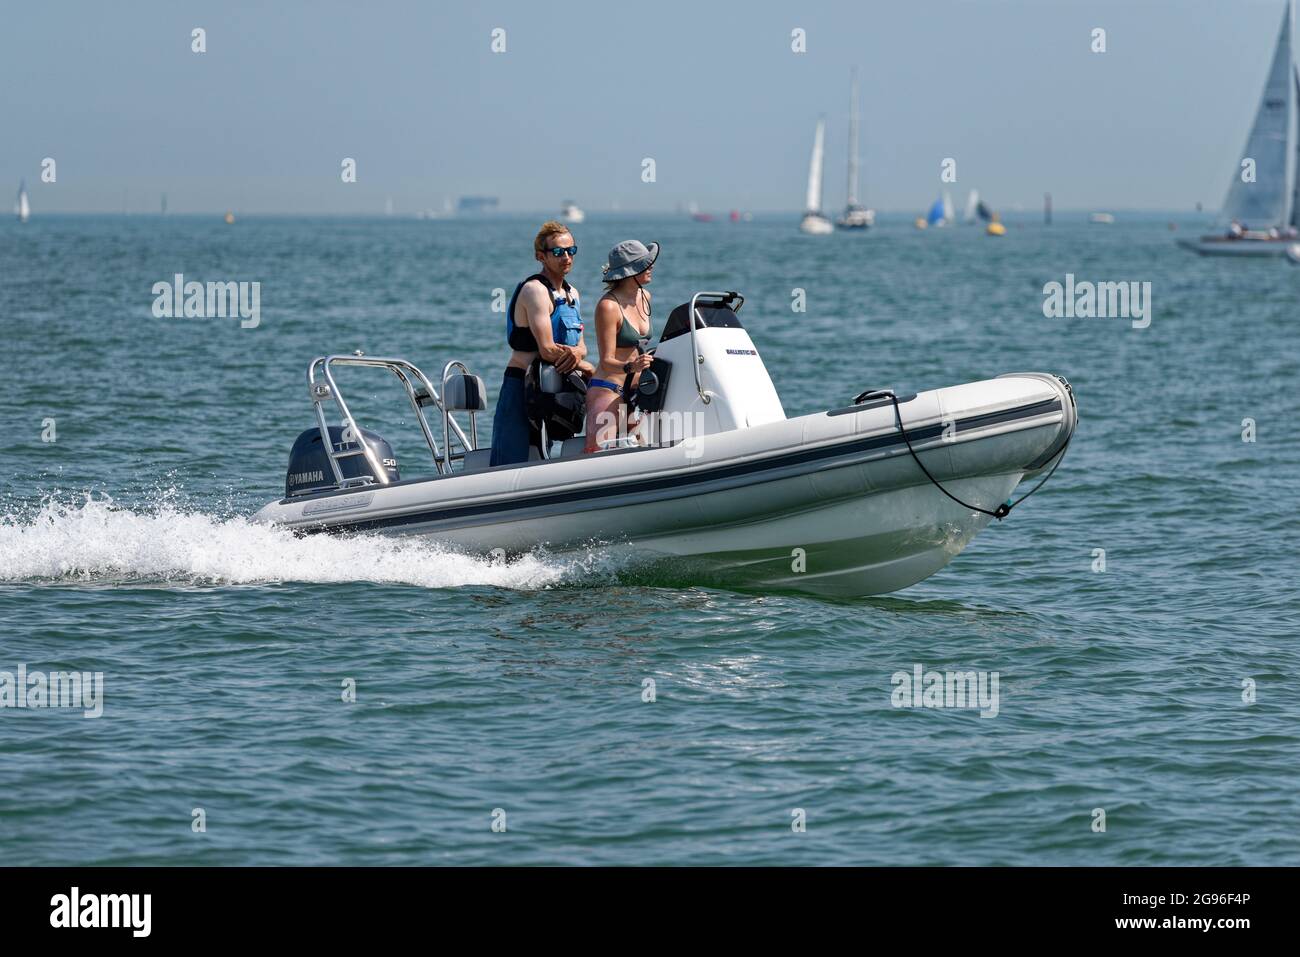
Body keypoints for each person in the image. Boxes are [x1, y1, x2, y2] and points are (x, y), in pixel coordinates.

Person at [489, 222, 593, 466]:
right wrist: (587, 367)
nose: (566, 257)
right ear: (541, 256)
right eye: (558, 252)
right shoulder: (534, 290)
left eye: (571, 250)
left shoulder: (572, 294)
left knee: (544, 455)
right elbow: (546, 349)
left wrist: (579, 356)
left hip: (555, 386)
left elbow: (582, 345)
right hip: (522, 386)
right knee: (511, 458)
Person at [584, 240, 659, 452]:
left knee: (640, 453)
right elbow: (606, 361)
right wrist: (631, 367)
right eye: (645, 263)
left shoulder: (645, 297)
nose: (651, 266)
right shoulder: (608, 306)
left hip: (637, 392)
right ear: (630, 271)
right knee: (596, 454)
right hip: (608, 390)